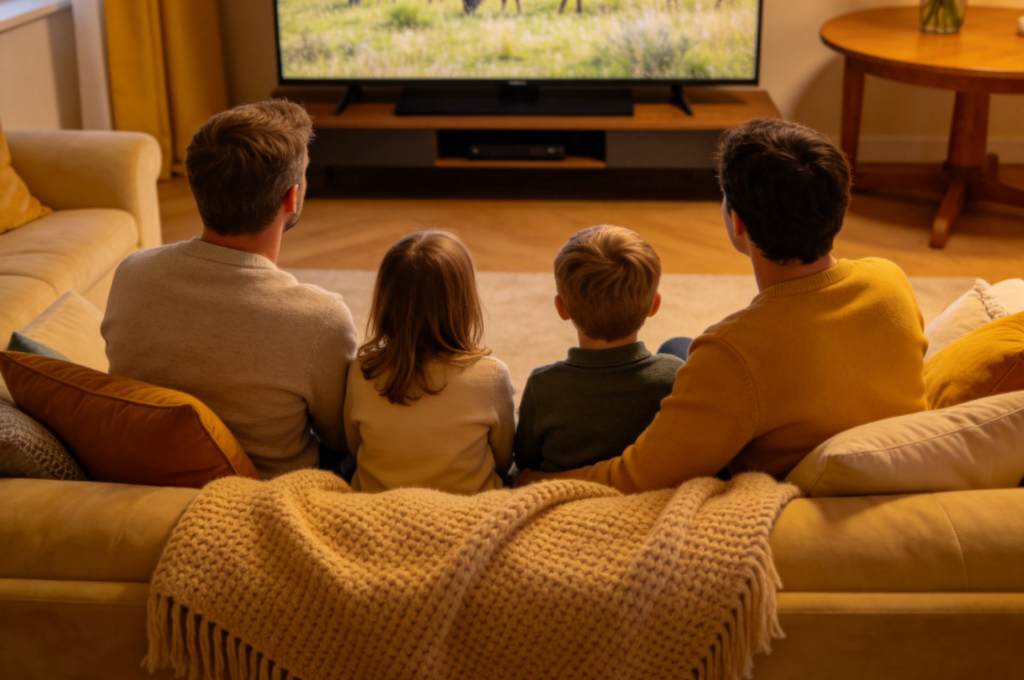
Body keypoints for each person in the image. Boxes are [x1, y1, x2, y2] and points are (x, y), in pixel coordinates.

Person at [516, 117, 928, 493]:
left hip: (786, 486)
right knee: (676, 349)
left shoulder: (731, 353)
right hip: (884, 463)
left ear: (738, 224)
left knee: (684, 356)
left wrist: (543, 479)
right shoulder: (889, 281)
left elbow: (638, 476)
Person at [102, 99, 357, 478]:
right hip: (262, 491)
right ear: (292, 196)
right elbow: (339, 435)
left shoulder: (132, 274)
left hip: (143, 474)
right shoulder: (320, 319)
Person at [344, 229, 515, 494]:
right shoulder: (491, 376)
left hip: (377, 508)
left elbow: (355, 449)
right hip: (468, 513)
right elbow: (503, 459)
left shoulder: (362, 370)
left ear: (385, 302)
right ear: (465, 302)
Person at [514, 224, 681, 473]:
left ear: (561, 308)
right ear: (654, 305)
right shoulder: (675, 376)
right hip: (643, 488)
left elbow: (526, 461)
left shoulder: (544, 386)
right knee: (677, 345)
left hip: (568, 497)